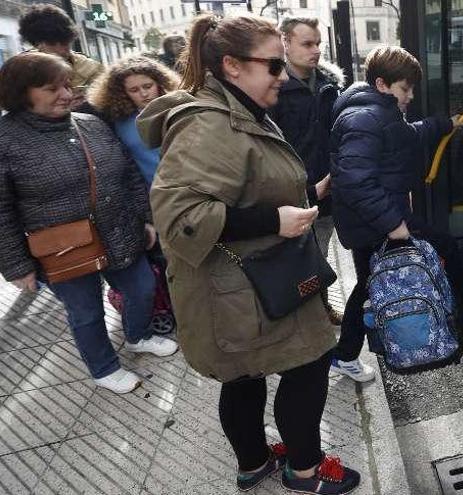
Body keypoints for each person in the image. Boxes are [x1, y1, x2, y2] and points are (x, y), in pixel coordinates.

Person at [138, 14, 360, 493]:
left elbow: (244, 184)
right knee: (309, 362)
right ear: (233, 66)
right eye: (274, 65)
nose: (283, 75)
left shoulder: (236, 112)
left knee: (241, 377)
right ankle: (304, 471)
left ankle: (254, 463)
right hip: (245, 288)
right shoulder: (210, 125)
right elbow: (180, 218)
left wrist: (304, 196)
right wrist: (273, 220)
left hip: (242, 286)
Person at [0, 52, 178, 395]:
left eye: (67, 85)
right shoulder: (6, 140)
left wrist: (146, 219)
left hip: (121, 233)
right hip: (63, 248)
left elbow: (129, 176)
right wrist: (16, 265)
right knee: (86, 312)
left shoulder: (90, 123)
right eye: (53, 88)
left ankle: (138, 336)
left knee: (142, 288)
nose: (66, 94)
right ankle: (104, 367)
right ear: (22, 92)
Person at [329, 45, 463, 377]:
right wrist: (394, 224)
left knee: (368, 282)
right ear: (382, 84)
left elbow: (407, 135)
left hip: (371, 220)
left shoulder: (374, 111)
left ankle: (345, 354)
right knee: (445, 248)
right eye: (404, 88)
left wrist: (443, 124)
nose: (409, 96)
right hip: (380, 220)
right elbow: (354, 181)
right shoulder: (367, 117)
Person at [268, 16, 367, 375]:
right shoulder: (273, 88)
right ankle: (302, 323)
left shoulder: (328, 84)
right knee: (296, 258)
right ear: (286, 43)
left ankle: (321, 309)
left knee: (320, 252)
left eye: (318, 44)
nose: (315, 50)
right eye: (307, 44)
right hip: (292, 194)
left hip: (328, 190)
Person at [88, 56, 180, 187]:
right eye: (134, 90)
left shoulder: (179, 110)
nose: (144, 94)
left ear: (160, 84)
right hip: (153, 194)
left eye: (148, 86)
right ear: (123, 93)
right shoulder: (118, 122)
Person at [19, 4, 103, 109]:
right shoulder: (22, 70)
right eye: (52, 43)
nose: (60, 50)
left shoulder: (91, 69)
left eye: (65, 43)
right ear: (36, 44)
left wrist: (88, 102)